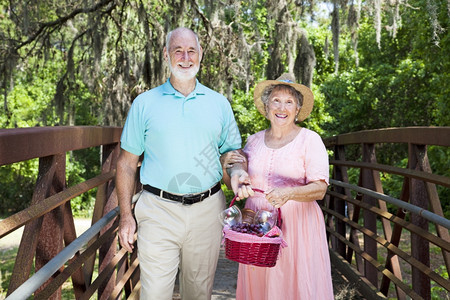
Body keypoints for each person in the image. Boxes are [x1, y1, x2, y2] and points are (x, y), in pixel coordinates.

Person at [116, 27, 249, 300]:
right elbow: (126, 164)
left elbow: (232, 155)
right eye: (178, 50)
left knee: (198, 294)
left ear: (200, 54)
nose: (185, 57)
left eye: (191, 51)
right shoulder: (144, 103)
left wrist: (237, 173)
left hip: (207, 211)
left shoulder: (219, 103)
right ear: (166, 54)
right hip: (157, 210)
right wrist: (126, 216)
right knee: (154, 295)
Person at [222, 73, 334, 299]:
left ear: (297, 109)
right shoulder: (253, 141)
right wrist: (235, 179)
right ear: (266, 106)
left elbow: (320, 189)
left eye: (289, 102)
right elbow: (231, 180)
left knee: (297, 286)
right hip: (258, 230)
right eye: (276, 100)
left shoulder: (310, 140)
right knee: (262, 286)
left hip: (298, 229)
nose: (282, 107)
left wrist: (290, 192)